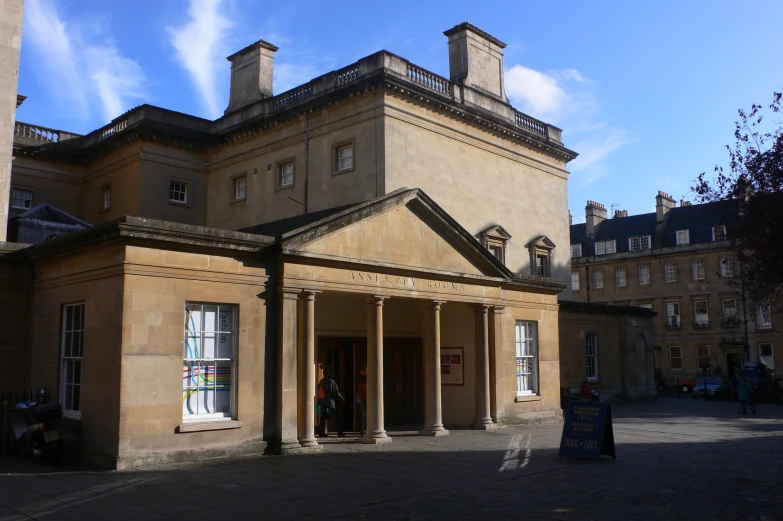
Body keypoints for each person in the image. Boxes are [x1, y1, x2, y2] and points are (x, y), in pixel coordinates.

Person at [318, 371, 345, 437]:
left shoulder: (321, 381)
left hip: (322, 401)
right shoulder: (332, 381)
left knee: (323, 417)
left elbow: (318, 389)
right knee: (335, 417)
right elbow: (336, 392)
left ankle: (321, 433)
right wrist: (342, 398)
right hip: (330, 401)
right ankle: (340, 432)